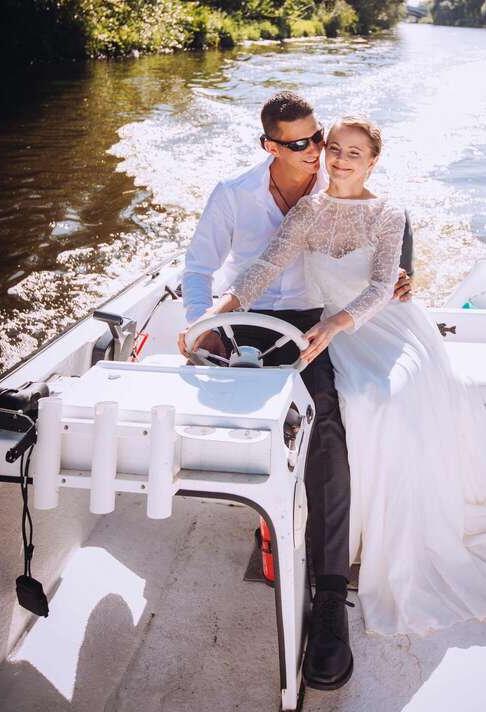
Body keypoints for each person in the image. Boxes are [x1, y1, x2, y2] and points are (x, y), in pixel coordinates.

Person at [202, 115, 486, 639]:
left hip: (384, 326)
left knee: (382, 395)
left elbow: (385, 285)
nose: (340, 160)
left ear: (373, 162)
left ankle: (389, 537)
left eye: (354, 153)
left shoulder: (388, 212)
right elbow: (266, 266)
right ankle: (350, 537)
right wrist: (213, 314)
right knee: (352, 400)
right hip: (333, 330)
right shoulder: (308, 210)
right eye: (335, 149)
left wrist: (336, 324)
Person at [177, 93, 413, 690]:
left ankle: (330, 594)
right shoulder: (233, 195)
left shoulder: (340, 180)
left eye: (320, 138)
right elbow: (205, 270)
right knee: (217, 411)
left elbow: (383, 245)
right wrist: (207, 325)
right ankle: (265, 518)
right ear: (270, 146)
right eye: (302, 143)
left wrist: (399, 277)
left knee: (324, 424)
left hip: (318, 320)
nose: (319, 152)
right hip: (250, 316)